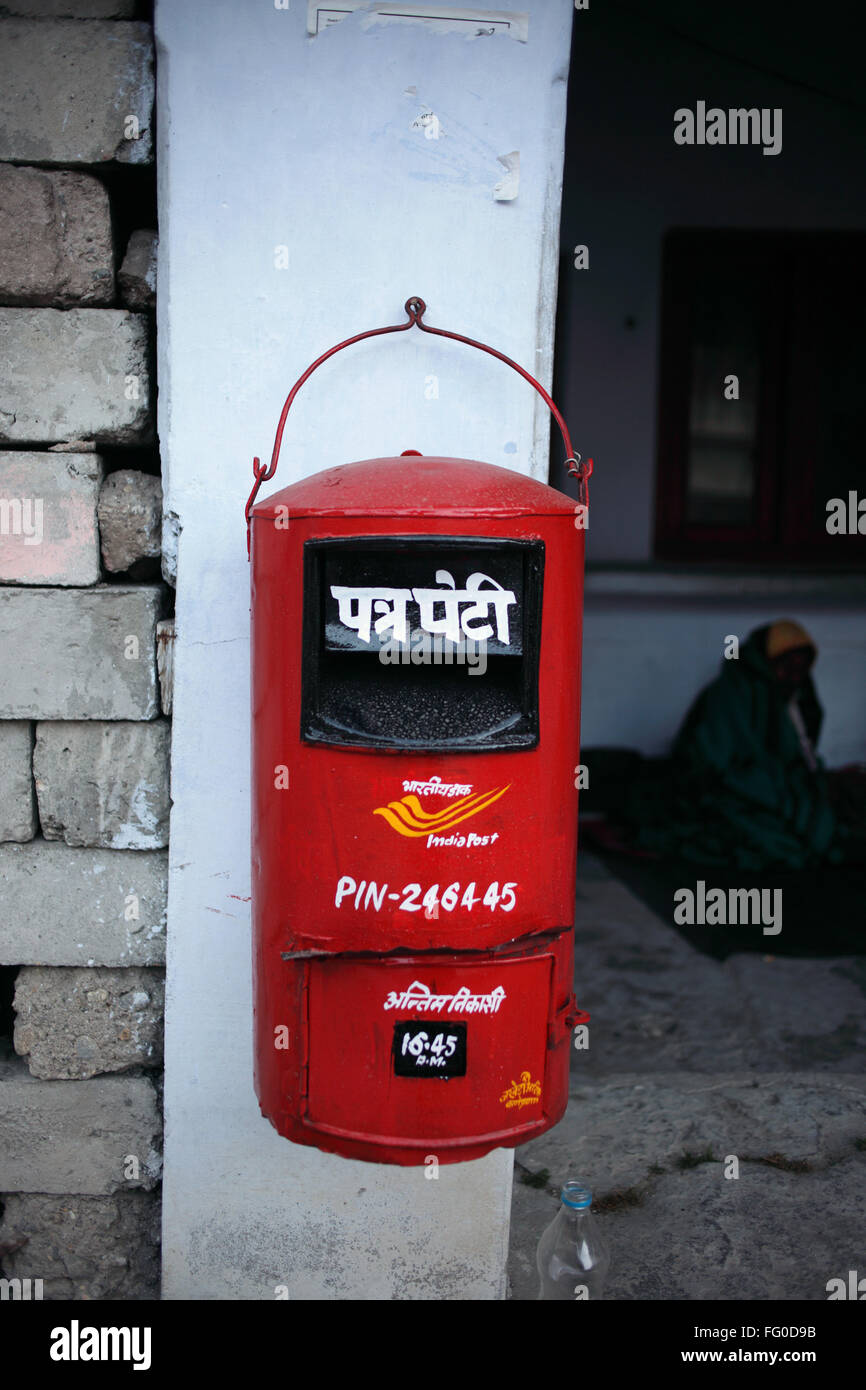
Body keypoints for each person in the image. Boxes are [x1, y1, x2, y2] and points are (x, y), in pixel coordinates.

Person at [595, 620, 864, 871]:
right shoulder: (731, 696)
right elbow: (715, 765)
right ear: (767, 662)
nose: (794, 678)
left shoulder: (795, 699)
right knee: (773, 833)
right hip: (724, 787)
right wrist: (781, 790)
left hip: (773, 786)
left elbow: (798, 755)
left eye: (800, 670)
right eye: (787, 667)